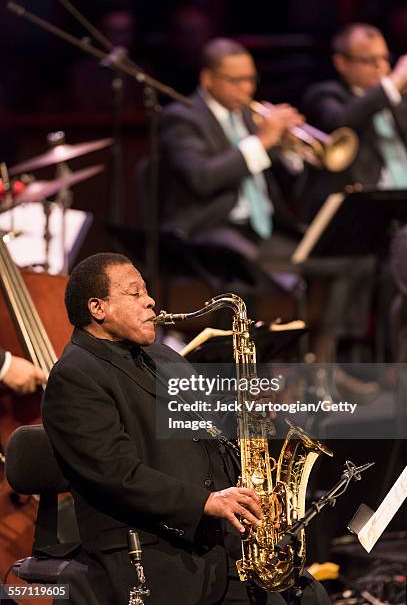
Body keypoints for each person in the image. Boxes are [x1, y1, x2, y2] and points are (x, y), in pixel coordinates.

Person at [42, 252, 331, 604]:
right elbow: (117, 474)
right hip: (155, 556)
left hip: (222, 547)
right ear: (98, 308)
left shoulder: (165, 358)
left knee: (312, 597)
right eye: (134, 293)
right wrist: (206, 502)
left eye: (146, 291)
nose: (150, 301)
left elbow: (211, 434)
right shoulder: (75, 376)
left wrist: (248, 425)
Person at [158, 37, 306, 269]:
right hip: (209, 226)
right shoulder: (181, 117)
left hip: (262, 227)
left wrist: (289, 147)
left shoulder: (250, 115)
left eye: (250, 79)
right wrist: (262, 140)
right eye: (235, 80)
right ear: (207, 79)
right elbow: (202, 179)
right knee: (257, 266)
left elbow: (288, 181)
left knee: (341, 262)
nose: (246, 88)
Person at [301, 23, 407, 221]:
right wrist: (391, 84)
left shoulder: (398, 98)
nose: (382, 67)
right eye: (370, 60)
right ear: (341, 63)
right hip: (366, 209)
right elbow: (339, 121)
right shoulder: (324, 94)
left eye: (385, 58)